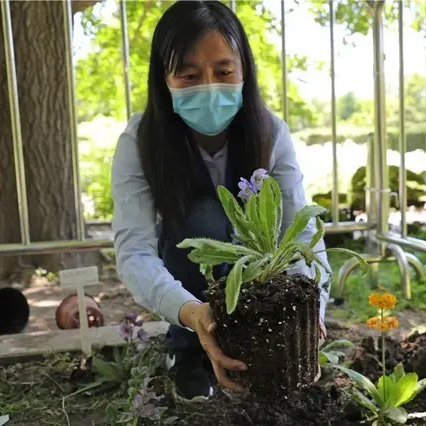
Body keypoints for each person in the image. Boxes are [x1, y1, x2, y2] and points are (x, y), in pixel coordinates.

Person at [111, 0, 331, 401]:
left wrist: (309, 312)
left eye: (223, 71)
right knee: (205, 219)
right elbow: (134, 251)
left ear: (244, 70)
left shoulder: (270, 133)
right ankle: (189, 349)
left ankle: (258, 344)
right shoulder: (141, 141)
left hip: (258, 288)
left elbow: (302, 233)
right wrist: (193, 314)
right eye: (188, 75)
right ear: (164, 80)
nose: (208, 86)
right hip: (195, 290)